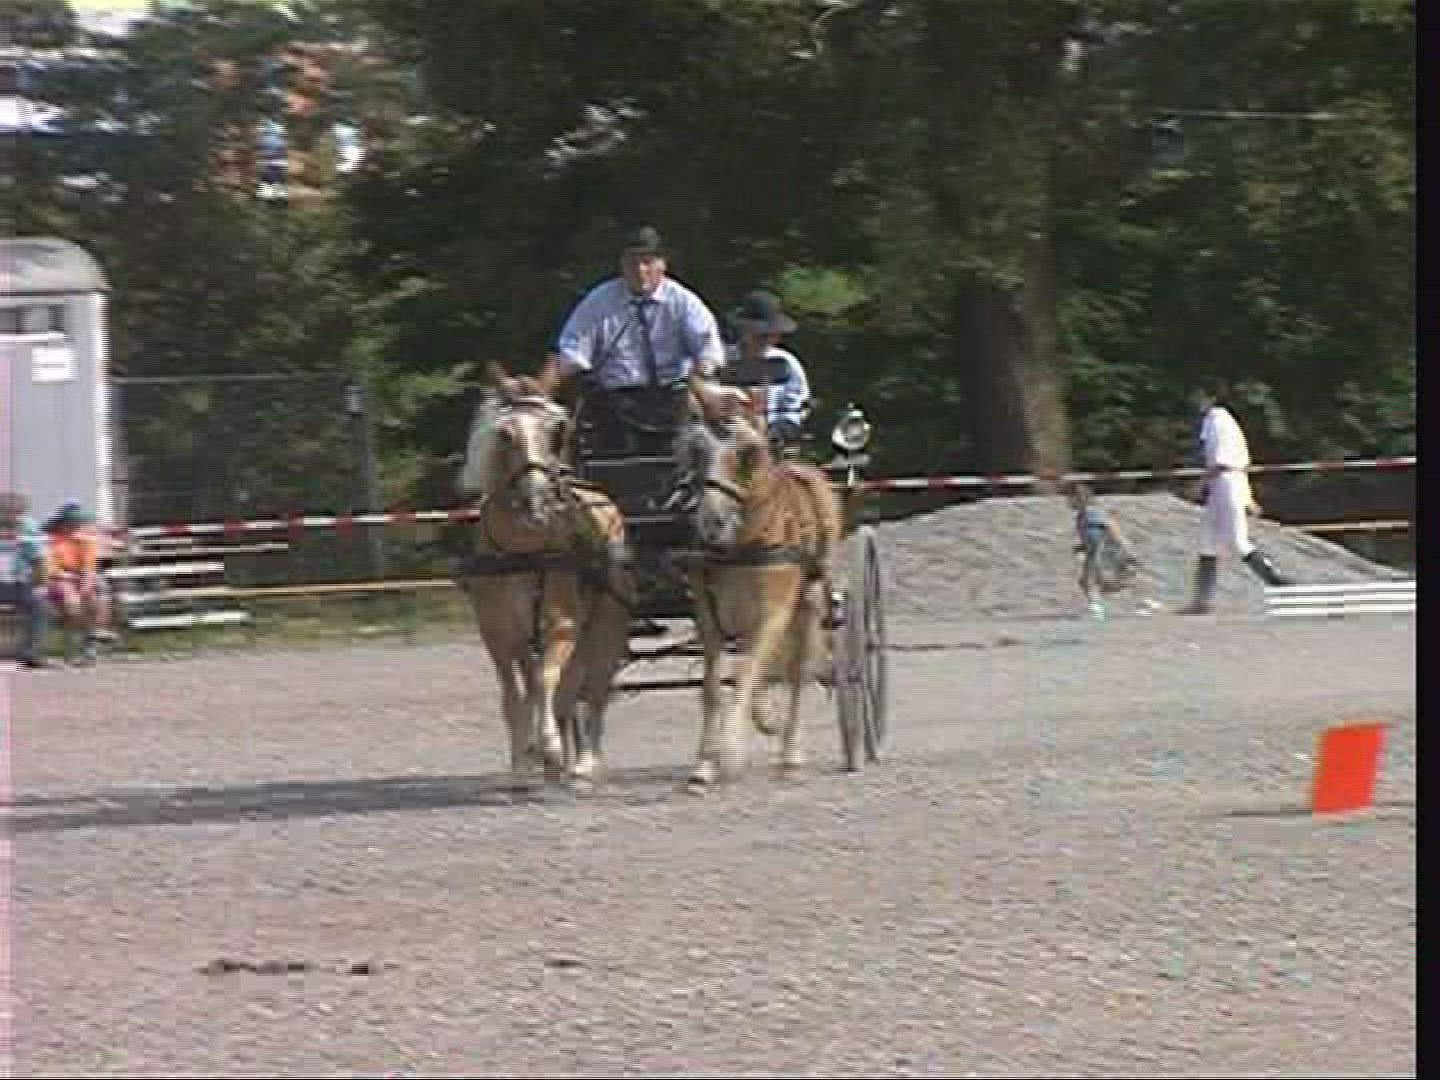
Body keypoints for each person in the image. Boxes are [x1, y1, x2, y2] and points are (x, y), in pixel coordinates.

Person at [546, 225, 745, 459]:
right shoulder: (599, 301)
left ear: (663, 264)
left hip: (672, 397)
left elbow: (708, 346)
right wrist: (580, 373)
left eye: (647, 262)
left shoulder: (683, 301)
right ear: (621, 265)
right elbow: (572, 347)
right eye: (632, 262)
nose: (640, 270)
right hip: (614, 400)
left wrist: (703, 369)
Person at [1179, 381, 1293, 615]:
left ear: (1211, 397)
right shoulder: (1215, 420)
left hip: (1226, 483)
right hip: (1222, 484)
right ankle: (1201, 601)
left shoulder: (1219, 420)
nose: (1195, 401)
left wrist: (1201, 484)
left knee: (1237, 541)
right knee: (1208, 542)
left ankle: (1279, 584)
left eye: (1200, 395)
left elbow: (1222, 462)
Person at [720, 289, 812, 452]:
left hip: (774, 439)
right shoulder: (721, 359)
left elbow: (796, 406)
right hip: (726, 436)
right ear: (744, 331)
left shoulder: (787, 362)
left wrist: (782, 429)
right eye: (761, 335)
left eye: (773, 335)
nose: (768, 340)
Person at [1066, 481, 1159, 619]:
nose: (1067, 502)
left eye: (1070, 498)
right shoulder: (1082, 515)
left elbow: (1110, 528)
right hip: (1096, 552)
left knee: (1097, 581)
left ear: (1079, 498)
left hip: (1105, 552)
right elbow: (1091, 534)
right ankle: (1145, 602)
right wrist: (1082, 546)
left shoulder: (1091, 512)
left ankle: (1097, 609)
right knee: (1098, 581)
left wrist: (1125, 548)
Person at [43, 501, 112, 664]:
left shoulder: (85, 540)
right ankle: (74, 645)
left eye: (78, 522)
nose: (76, 526)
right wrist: (70, 578)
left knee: (97, 596)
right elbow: (49, 568)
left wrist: (86, 583)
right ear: (62, 523)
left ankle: (92, 639)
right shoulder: (51, 541)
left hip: (78, 576)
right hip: (58, 578)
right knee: (71, 601)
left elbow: (89, 567)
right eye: (72, 522)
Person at [1, 492, 52, 669]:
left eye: (14, 512)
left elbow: (39, 560)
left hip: (19, 583)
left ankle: (31, 654)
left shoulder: (29, 528)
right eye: (5, 511)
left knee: (39, 605)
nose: (9, 516)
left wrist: (40, 586)